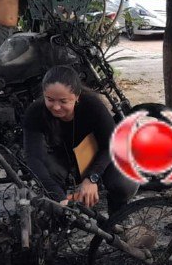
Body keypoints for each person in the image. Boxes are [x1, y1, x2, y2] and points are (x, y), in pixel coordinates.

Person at [23, 66, 138, 214]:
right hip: (64, 158)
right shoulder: (35, 112)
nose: (56, 107)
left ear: (77, 96)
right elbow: (34, 158)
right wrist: (57, 196)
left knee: (124, 184)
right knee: (46, 173)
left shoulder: (93, 106)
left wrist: (92, 178)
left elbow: (110, 145)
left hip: (99, 153)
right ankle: (61, 214)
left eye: (63, 101)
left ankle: (118, 215)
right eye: (50, 99)